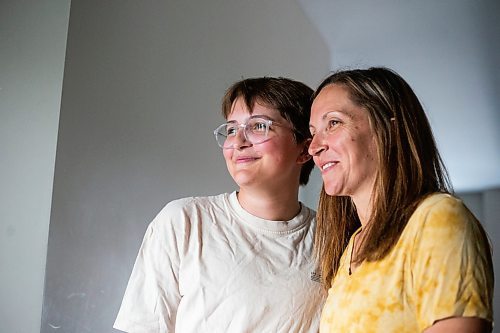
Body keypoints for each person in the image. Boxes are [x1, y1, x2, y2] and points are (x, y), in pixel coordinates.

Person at [114, 77, 326, 332]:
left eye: (259, 126)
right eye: (232, 129)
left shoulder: (332, 236)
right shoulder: (185, 221)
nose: (238, 142)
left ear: (305, 149)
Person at [308, 67, 494, 332]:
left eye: (334, 123)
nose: (314, 147)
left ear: (388, 129)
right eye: (314, 131)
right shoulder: (349, 249)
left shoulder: (437, 217)